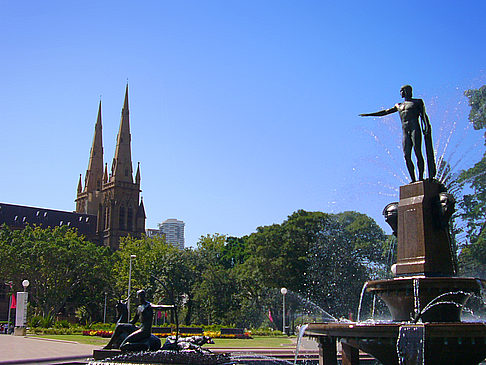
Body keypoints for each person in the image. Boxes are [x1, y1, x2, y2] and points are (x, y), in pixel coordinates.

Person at [360, 85, 436, 182]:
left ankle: (421, 178)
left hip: (415, 129)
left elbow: (423, 115)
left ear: (407, 91)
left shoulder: (417, 102)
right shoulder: (398, 105)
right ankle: (413, 180)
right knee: (406, 155)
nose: (401, 93)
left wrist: (426, 126)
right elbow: (385, 112)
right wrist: (369, 114)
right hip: (405, 131)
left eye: (402, 90)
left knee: (417, 152)